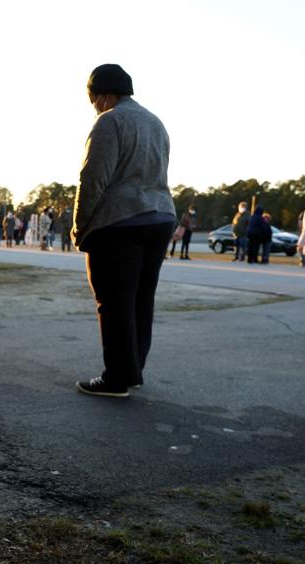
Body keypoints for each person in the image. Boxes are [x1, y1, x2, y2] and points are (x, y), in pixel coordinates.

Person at [72, 64, 176, 398]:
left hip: (121, 222)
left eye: (93, 99)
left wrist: (80, 226)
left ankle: (116, 377)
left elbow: (93, 178)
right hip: (159, 217)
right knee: (141, 299)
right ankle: (132, 371)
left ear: (101, 95)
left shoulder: (109, 120)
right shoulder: (155, 122)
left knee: (113, 301)